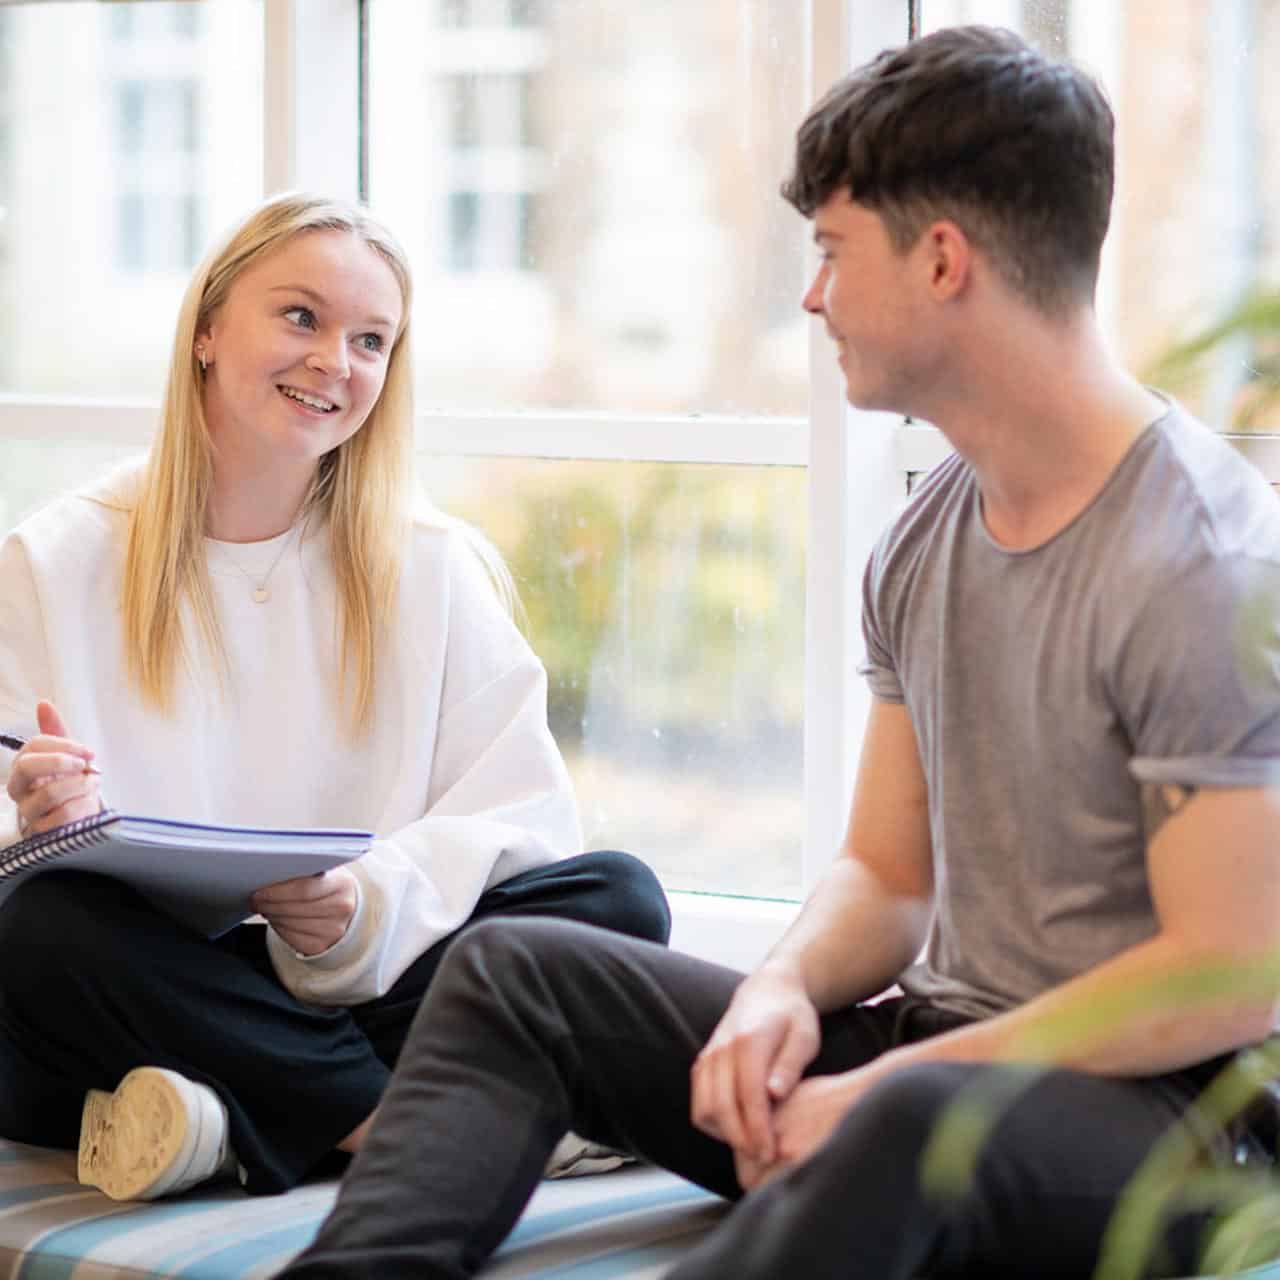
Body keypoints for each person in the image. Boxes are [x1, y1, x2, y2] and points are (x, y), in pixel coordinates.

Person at [277, 25, 1280, 1280]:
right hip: (939, 1052)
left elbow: (1227, 976)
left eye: (829, 251)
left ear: (943, 261)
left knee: (909, 1119)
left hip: (1167, 1128)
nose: (809, 297)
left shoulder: (1201, 558)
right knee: (513, 969)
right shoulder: (926, 536)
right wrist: (777, 990)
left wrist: (889, 1082)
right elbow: (884, 871)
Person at [0, 192, 670, 1203]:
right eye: (301, 317)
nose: (334, 362)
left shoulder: (435, 564)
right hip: (141, 976)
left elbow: (525, 819)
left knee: (617, 899)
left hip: (330, 984)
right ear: (209, 330)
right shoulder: (53, 557)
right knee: (42, 928)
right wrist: (36, 817)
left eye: (371, 340)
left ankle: (223, 1116)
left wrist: (360, 904)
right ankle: (394, 1123)